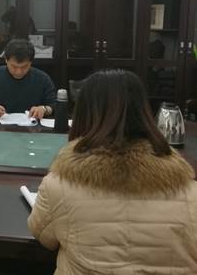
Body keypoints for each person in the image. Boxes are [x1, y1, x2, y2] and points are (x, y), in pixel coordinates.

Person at [27, 70, 197, 274]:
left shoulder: (59, 185)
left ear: (83, 114)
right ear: (144, 112)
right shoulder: (190, 192)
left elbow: (44, 236)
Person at [0, 38, 55, 119]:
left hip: (32, 125)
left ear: (31, 62)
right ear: (6, 60)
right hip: (0, 124)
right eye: (14, 66)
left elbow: (54, 105)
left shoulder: (42, 79)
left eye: (24, 67)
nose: (19, 72)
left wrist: (44, 109)